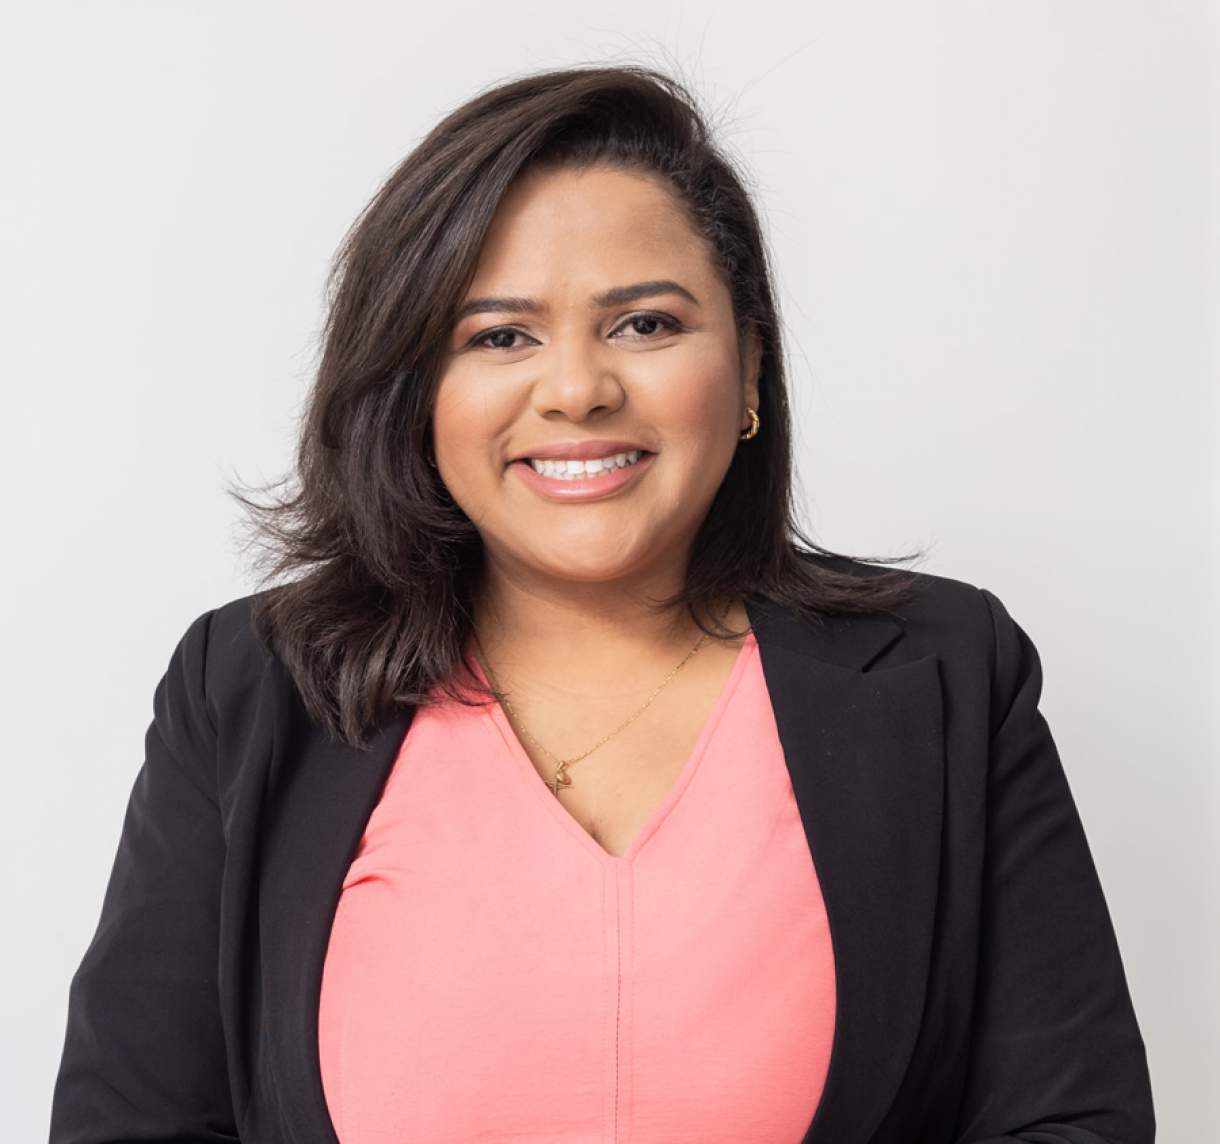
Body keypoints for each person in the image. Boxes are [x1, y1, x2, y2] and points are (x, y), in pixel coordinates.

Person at [48, 64, 1155, 1144]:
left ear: (749, 366)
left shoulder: (948, 676)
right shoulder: (251, 689)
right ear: (416, 390)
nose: (577, 389)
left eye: (645, 325)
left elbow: (1071, 1118)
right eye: (499, 336)